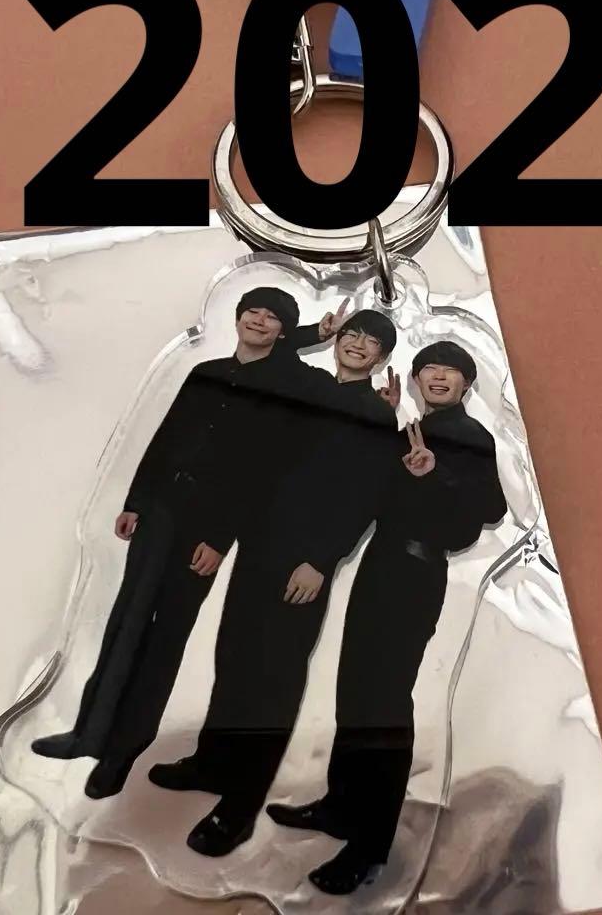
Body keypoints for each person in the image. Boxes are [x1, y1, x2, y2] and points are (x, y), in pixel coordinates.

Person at [30, 287, 313, 799]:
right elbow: (166, 436)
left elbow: (261, 472)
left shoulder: (282, 388)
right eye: (252, 311)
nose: (258, 320)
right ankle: (88, 732)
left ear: (284, 332)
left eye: (272, 317)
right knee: (126, 621)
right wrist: (136, 500)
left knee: (166, 636)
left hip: (207, 527)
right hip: (161, 511)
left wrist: (220, 539)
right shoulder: (204, 372)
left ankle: (122, 752)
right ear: (237, 317)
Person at [147, 310, 404, 858]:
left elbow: (363, 498)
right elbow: (259, 448)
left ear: (382, 358)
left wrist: (321, 561)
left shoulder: (375, 415)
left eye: (371, 342)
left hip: (303, 563)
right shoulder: (305, 386)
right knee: (233, 657)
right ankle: (211, 764)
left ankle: (239, 809)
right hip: (258, 544)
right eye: (352, 334)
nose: (358, 344)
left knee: (273, 678)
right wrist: (316, 332)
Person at [267, 340, 508, 894]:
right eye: (429, 368)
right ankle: (340, 807)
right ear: (416, 380)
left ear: (467, 383)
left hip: (416, 575)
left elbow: (490, 509)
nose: (438, 375)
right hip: (379, 569)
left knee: (384, 704)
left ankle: (370, 845)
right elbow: (366, 491)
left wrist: (436, 474)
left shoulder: (469, 435)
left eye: (450, 369)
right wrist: (381, 421)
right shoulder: (411, 431)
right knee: (355, 691)